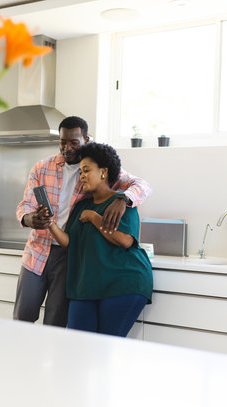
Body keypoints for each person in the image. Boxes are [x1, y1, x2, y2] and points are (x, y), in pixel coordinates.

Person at [14, 116, 152, 327]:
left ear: (86, 139)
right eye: (62, 142)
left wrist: (124, 198)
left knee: (55, 321)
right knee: (21, 318)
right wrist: (30, 218)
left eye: (73, 143)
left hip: (68, 253)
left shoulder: (96, 167)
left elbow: (142, 185)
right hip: (37, 250)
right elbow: (25, 205)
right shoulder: (42, 168)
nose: (67, 148)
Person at [48, 142, 153, 336]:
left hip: (123, 284)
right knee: (78, 346)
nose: (82, 177)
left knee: (106, 347)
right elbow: (70, 243)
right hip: (85, 287)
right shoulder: (81, 206)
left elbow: (125, 241)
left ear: (104, 172)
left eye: (86, 170)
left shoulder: (121, 203)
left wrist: (94, 217)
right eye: (80, 172)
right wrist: (50, 223)